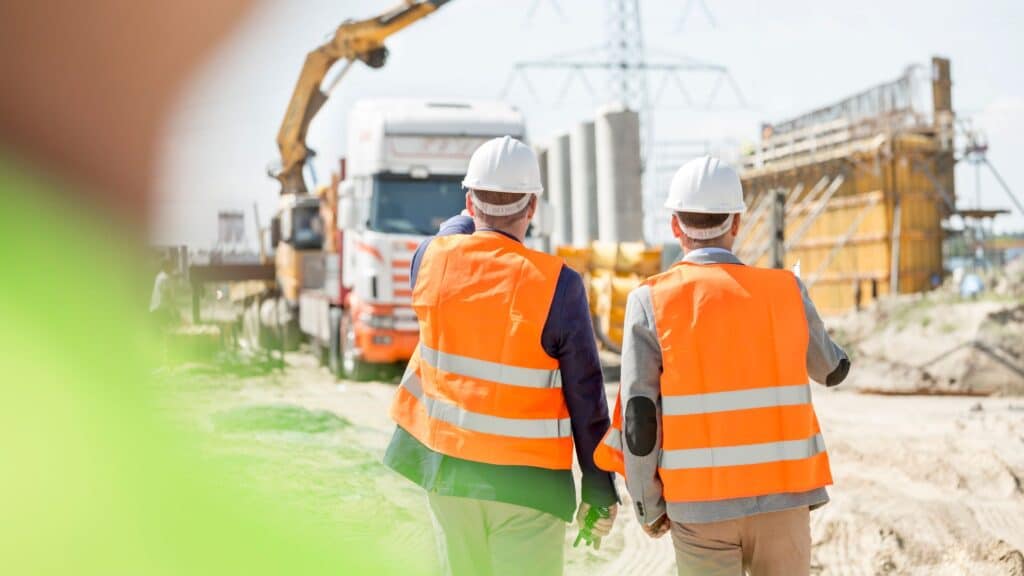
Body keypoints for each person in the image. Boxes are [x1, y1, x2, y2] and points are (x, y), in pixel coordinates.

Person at [594, 156, 851, 576]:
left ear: (675, 227)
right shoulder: (785, 290)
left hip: (699, 508)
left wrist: (646, 502)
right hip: (784, 499)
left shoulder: (651, 300)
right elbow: (832, 369)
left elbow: (640, 417)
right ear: (736, 222)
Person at [384, 136, 619, 576]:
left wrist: (468, 213)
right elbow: (587, 397)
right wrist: (599, 486)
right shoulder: (559, 285)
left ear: (470, 203)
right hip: (528, 491)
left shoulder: (430, 261)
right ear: (532, 208)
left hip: (449, 476)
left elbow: (447, 234)